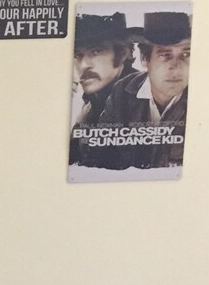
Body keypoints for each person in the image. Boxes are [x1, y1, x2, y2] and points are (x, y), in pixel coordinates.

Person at [94, 12, 191, 170]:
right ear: (144, 59)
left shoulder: (203, 97)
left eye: (186, 54)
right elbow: (97, 153)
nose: (176, 67)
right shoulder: (122, 92)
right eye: (165, 55)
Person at [69, 12, 136, 166]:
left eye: (96, 51)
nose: (84, 65)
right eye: (78, 55)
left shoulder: (143, 99)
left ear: (123, 53)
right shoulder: (93, 101)